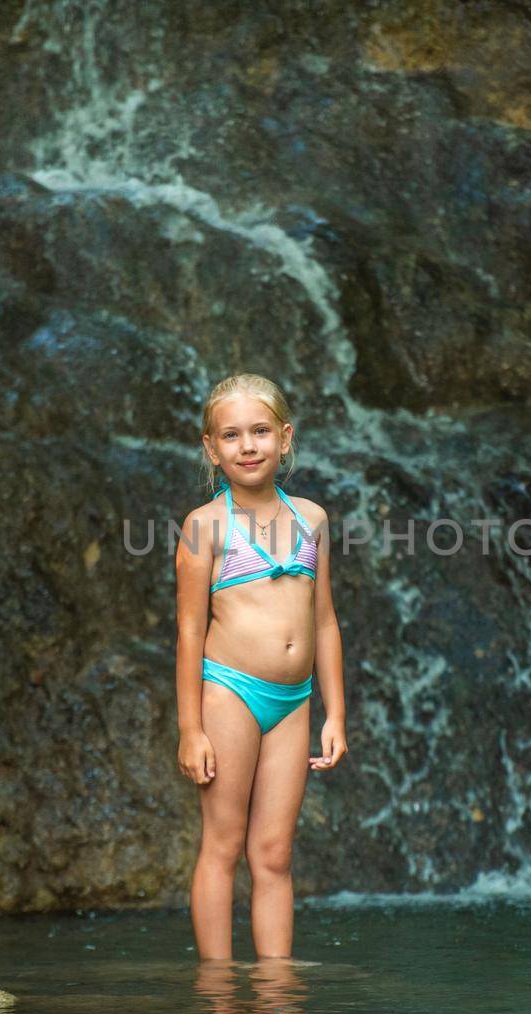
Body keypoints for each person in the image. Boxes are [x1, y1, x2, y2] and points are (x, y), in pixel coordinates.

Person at [174, 372, 349, 961]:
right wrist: (191, 727)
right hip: (229, 694)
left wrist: (336, 714)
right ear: (211, 448)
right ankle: (218, 996)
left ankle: (277, 1002)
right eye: (231, 435)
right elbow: (189, 632)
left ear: (285, 437)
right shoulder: (205, 526)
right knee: (223, 847)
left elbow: (324, 621)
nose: (247, 446)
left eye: (259, 431)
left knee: (273, 854)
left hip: (294, 701)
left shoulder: (312, 519)